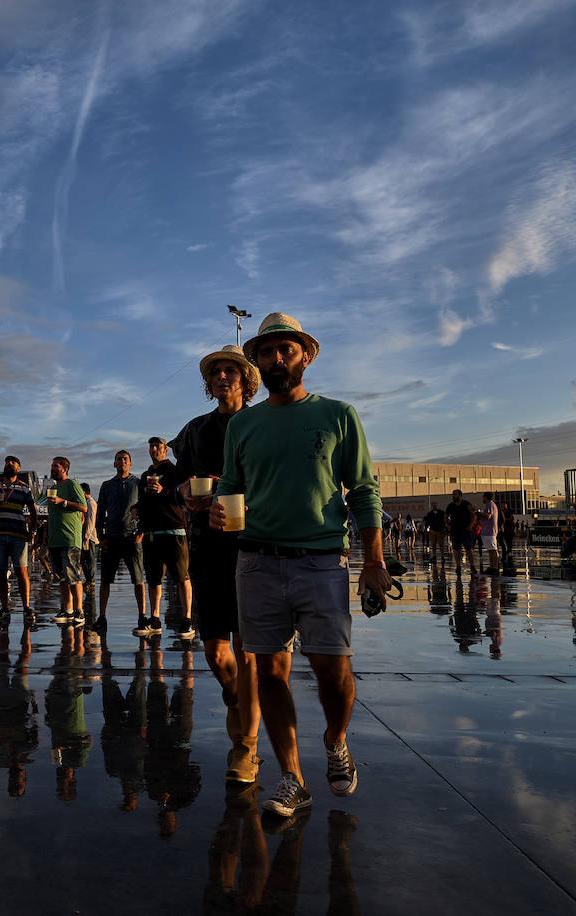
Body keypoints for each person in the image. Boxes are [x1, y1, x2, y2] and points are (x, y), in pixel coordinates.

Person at [210, 313, 388, 818]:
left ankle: (335, 739)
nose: (275, 358)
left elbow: (365, 490)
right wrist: (221, 508)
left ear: (305, 355)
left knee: (333, 669)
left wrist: (372, 559)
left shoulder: (337, 415)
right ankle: (292, 777)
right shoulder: (244, 424)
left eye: (284, 350)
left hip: (321, 561)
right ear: (258, 362)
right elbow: (230, 486)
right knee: (269, 670)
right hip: (257, 562)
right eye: (266, 352)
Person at [172, 342, 263, 784]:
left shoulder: (263, 424)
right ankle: (239, 701)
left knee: (248, 652)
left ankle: (245, 749)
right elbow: (176, 479)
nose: (223, 376)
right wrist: (185, 494)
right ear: (208, 383)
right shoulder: (194, 430)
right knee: (213, 650)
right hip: (207, 547)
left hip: (253, 547)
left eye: (232, 370)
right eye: (216, 372)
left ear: (247, 380)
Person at [136, 437, 194, 639]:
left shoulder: (175, 471)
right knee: (153, 579)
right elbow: (143, 503)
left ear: (166, 450)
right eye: (151, 446)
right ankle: (155, 619)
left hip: (174, 531)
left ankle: (187, 620)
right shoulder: (145, 475)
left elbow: (184, 494)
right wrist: (139, 520)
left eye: (158, 447)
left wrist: (164, 491)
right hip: (152, 533)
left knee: (181, 577)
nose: (154, 449)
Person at [0, 456, 37, 616]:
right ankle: (4, 607)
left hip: (18, 534)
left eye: (13, 462)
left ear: (19, 469)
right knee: (0, 572)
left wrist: (32, 530)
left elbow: (32, 510)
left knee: (21, 572)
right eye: (7, 462)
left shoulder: (24, 488)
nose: (9, 464)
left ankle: (26, 607)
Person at [96, 450, 145, 628]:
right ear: (114, 463)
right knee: (105, 581)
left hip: (132, 539)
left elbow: (146, 510)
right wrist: (101, 537)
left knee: (138, 580)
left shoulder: (138, 484)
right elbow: (100, 512)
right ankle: (102, 617)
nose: (122, 461)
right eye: (119, 459)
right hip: (111, 538)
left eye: (125, 459)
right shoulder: (106, 485)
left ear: (130, 463)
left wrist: (141, 533)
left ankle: (142, 616)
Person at [45, 457, 88, 627]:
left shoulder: (72, 485)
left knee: (73, 576)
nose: (53, 468)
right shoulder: (53, 488)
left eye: (56, 466)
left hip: (70, 538)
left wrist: (63, 502)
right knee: (62, 577)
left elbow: (83, 506)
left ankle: (79, 610)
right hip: (55, 539)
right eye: (52, 465)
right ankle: (67, 609)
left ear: (65, 469)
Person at [445, 489, 476, 574]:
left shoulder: (466, 504)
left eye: (455, 494)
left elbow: (473, 515)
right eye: (453, 494)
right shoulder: (450, 505)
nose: (453, 496)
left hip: (465, 530)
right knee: (456, 549)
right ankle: (458, 566)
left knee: (469, 548)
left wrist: (471, 525)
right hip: (455, 530)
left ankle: (472, 566)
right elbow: (446, 515)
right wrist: (447, 524)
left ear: (460, 495)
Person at [478, 492, 500, 574]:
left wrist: (479, 513)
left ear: (485, 497)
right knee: (492, 549)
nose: (482, 499)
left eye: (483, 497)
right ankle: (493, 566)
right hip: (489, 531)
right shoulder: (491, 505)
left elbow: (488, 516)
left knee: (492, 549)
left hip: (489, 531)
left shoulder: (490, 505)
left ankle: (494, 567)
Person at [81, 483, 98, 588]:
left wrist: (86, 536)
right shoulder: (87, 502)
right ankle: (88, 579)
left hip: (89, 537)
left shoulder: (91, 503)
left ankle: (91, 580)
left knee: (89, 559)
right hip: (85, 535)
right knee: (84, 559)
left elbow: (91, 521)